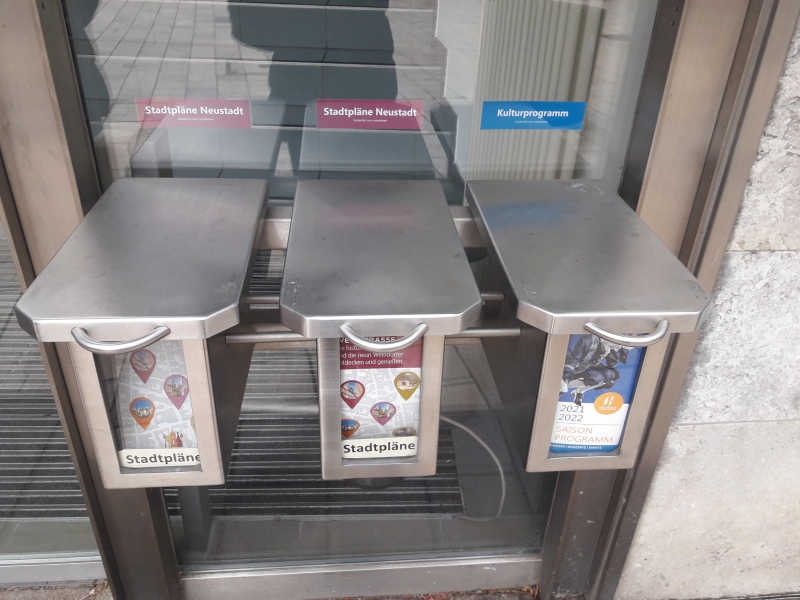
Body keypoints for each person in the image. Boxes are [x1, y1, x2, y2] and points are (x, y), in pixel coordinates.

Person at [561, 334, 630, 405]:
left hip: (585, 366)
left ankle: (579, 391)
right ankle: (563, 386)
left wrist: (615, 356)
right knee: (597, 376)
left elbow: (611, 363)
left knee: (612, 375)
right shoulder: (588, 341)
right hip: (569, 366)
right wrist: (564, 381)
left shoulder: (609, 349)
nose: (616, 349)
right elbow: (572, 360)